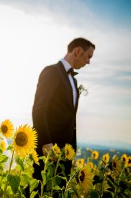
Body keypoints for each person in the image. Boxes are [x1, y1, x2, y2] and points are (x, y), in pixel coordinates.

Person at [31, 37, 95, 194]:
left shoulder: (73, 81)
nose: (88, 62)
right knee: (40, 191)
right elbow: (39, 108)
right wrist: (46, 143)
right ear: (78, 51)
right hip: (49, 149)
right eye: (88, 56)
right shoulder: (52, 71)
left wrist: (71, 149)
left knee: (57, 192)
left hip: (65, 153)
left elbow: (70, 119)